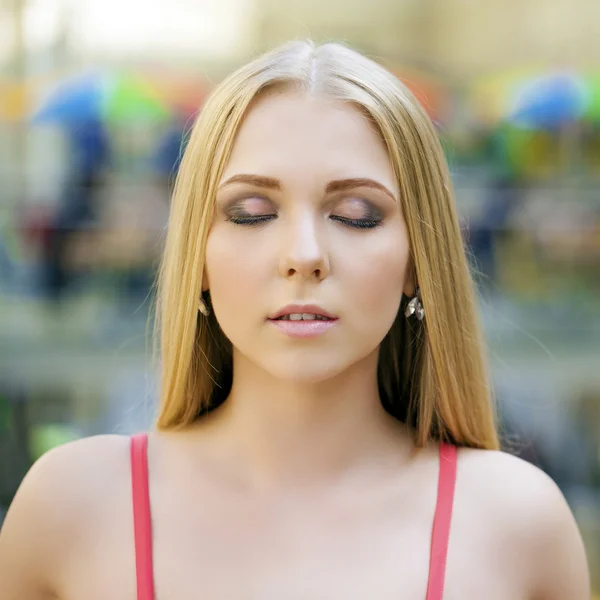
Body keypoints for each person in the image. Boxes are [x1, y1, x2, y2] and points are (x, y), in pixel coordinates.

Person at [0, 40, 590, 600]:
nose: (304, 254)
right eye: (252, 213)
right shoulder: (70, 507)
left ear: (418, 261)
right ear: (196, 255)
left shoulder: (517, 522)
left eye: (357, 215)